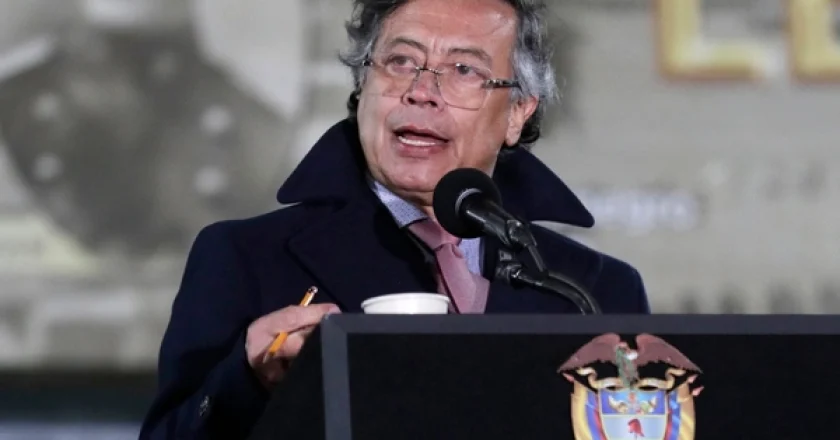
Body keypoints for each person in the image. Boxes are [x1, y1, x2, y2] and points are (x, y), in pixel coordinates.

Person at [139, 0, 651, 438]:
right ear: (362, 84)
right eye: (401, 62)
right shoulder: (245, 258)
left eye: (464, 70)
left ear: (518, 113)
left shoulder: (594, 291)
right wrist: (246, 380)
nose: (421, 91)